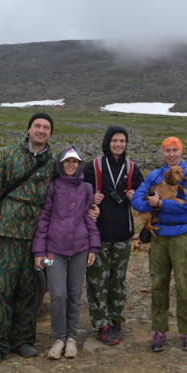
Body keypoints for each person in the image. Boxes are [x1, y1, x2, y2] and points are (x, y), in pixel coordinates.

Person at [0, 112, 58, 368]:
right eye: (37, 126)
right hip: (6, 234)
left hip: (35, 237)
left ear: (50, 133)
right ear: (28, 130)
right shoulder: (7, 155)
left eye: (46, 128)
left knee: (28, 289)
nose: (41, 131)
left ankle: (22, 339)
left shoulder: (52, 162)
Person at [131, 136, 187, 352]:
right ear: (163, 153)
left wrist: (160, 204)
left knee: (184, 284)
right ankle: (159, 331)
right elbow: (136, 200)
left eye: (175, 150)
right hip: (159, 236)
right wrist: (147, 202)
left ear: (181, 152)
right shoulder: (155, 175)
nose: (171, 154)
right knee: (159, 283)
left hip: (182, 235)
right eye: (167, 150)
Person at [32, 146, 101, 359]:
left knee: (74, 296)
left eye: (74, 162)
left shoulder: (87, 189)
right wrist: (39, 251)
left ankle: (71, 338)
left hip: (80, 248)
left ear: (79, 164)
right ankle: (59, 338)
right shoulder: (52, 188)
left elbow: (89, 219)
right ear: (61, 164)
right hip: (53, 251)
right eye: (66, 162)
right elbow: (43, 220)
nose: (70, 165)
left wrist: (93, 247)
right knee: (58, 295)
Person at [82, 126, 145, 345]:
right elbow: (77, 193)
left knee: (118, 280)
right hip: (98, 234)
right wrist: (90, 200)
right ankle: (102, 323)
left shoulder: (132, 168)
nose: (118, 144)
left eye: (122, 141)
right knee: (98, 280)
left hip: (123, 233)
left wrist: (135, 194)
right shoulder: (93, 167)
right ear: (107, 142)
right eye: (115, 140)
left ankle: (116, 318)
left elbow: (144, 195)